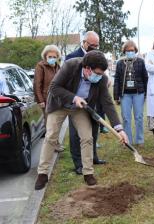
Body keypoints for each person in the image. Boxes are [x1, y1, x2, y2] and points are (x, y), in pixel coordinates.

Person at [34, 50, 128, 190]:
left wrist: (119, 128)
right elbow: (54, 87)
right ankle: (42, 173)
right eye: (97, 73)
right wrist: (74, 97)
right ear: (87, 68)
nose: (100, 77)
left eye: (102, 74)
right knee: (51, 136)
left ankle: (88, 172)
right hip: (60, 104)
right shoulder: (70, 65)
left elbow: (107, 103)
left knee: (87, 137)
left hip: (80, 108)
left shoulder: (101, 79)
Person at [65, 31, 106, 175]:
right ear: (85, 43)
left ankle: (93, 157)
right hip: (75, 103)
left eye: (97, 45)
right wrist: (74, 99)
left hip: (92, 100)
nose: (95, 47)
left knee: (93, 130)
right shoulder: (72, 58)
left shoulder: (98, 57)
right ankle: (78, 163)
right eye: (92, 45)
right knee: (76, 134)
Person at [114, 40, 148, 146]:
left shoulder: (141, 62)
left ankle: (140, 140)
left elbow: (145, 78)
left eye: (132, 50)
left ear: (135, 50)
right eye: (128, 50)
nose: (130, 52)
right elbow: (117, 80)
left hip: (138, 94)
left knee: (139, 117)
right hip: (125, 95)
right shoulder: (119, 63)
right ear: (124, 51)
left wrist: (145, 93)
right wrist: (116, 96)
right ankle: (127, 141)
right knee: (126, 118)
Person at [33, 44, 64, 152]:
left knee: (56, 123)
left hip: (57, 99)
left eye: (54, 57)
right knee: (50, 124)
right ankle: (52, 146)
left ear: (57, 57)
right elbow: (37, 84)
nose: (52, 59)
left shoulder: (58, 67)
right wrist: (40, 100)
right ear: (45, 56)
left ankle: (56, 143)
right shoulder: (41, 66)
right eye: (50, 57)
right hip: (46, 99)